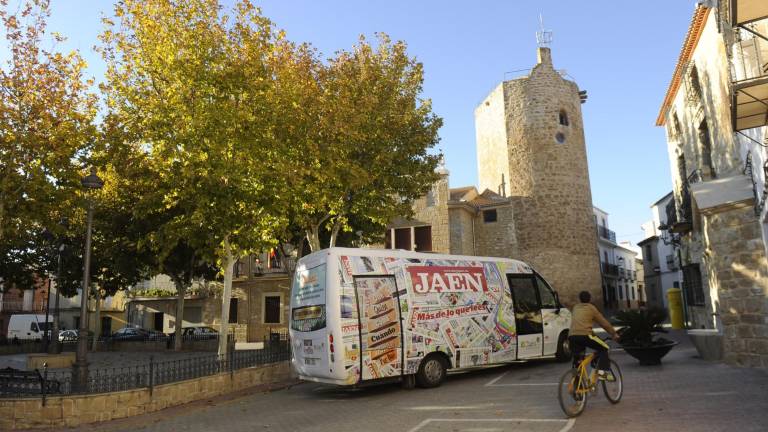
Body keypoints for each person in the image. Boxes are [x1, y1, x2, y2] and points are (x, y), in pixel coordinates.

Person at [569, 290, 620, 381]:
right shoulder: (591, 308)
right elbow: (603, 323)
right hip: (585, 335)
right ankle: (602, 374)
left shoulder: (575, 308)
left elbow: (579, 323)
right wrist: (614, 333)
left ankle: (576, 383)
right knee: (604, 348)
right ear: (589, 299)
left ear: (580, 299)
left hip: (572, 336)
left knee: (577, 360)